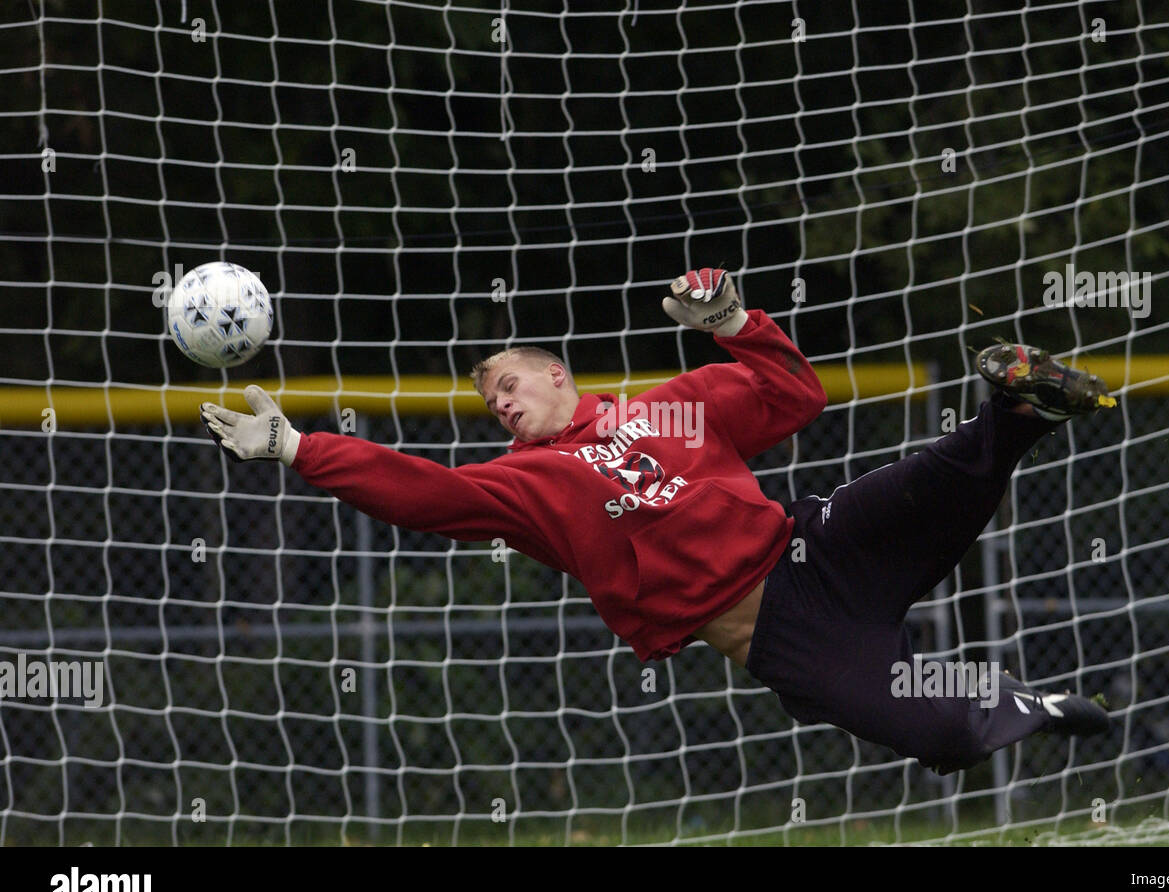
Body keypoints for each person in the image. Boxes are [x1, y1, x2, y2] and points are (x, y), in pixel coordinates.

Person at [200, 268, 1115, 775]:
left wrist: (734, 320)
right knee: (944, 731)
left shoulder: (663, 408)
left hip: (810, 545)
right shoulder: (529, 486)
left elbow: (794, 398)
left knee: (935, 477)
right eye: (490, 405)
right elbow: (426, 494)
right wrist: (297, 450)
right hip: (780, 632)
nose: (502, 407)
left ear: (558, 373)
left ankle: (1020, 407)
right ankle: (1032, 704)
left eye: (509, 384)